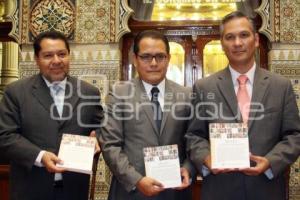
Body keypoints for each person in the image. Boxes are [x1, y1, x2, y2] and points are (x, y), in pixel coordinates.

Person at [186, 11, 300, 200]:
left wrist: (271, 162)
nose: (237, 43)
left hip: (267, 189)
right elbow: (193, 136)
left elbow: (294, 135)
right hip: (219, 189)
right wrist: (206, 158)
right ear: (222, 44)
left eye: (244, 35)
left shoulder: (281, 85)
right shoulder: (204, 87)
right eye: (230, 37)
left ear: (255, 40)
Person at [0, 31, 103, 200]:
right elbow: (5, 136)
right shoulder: (16, 92)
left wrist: (98, 137)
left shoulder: (88, 92)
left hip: (74, 190)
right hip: (30, 189)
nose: (56, 60)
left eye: (62, 54)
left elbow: (101, 127)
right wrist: (40, 156)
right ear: (37, 59)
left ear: (69, 56)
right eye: (48, 55)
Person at [99, 30, 195, 200]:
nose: (153, 63)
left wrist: (188, 168)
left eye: (160, 56)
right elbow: (110, 145)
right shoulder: (119, 93)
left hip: (175, 191)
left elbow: (194, 140)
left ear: (168, 58)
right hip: (133, 191)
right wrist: (137, 180)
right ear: (135, 59)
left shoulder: (187, 95)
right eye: (146, 57)